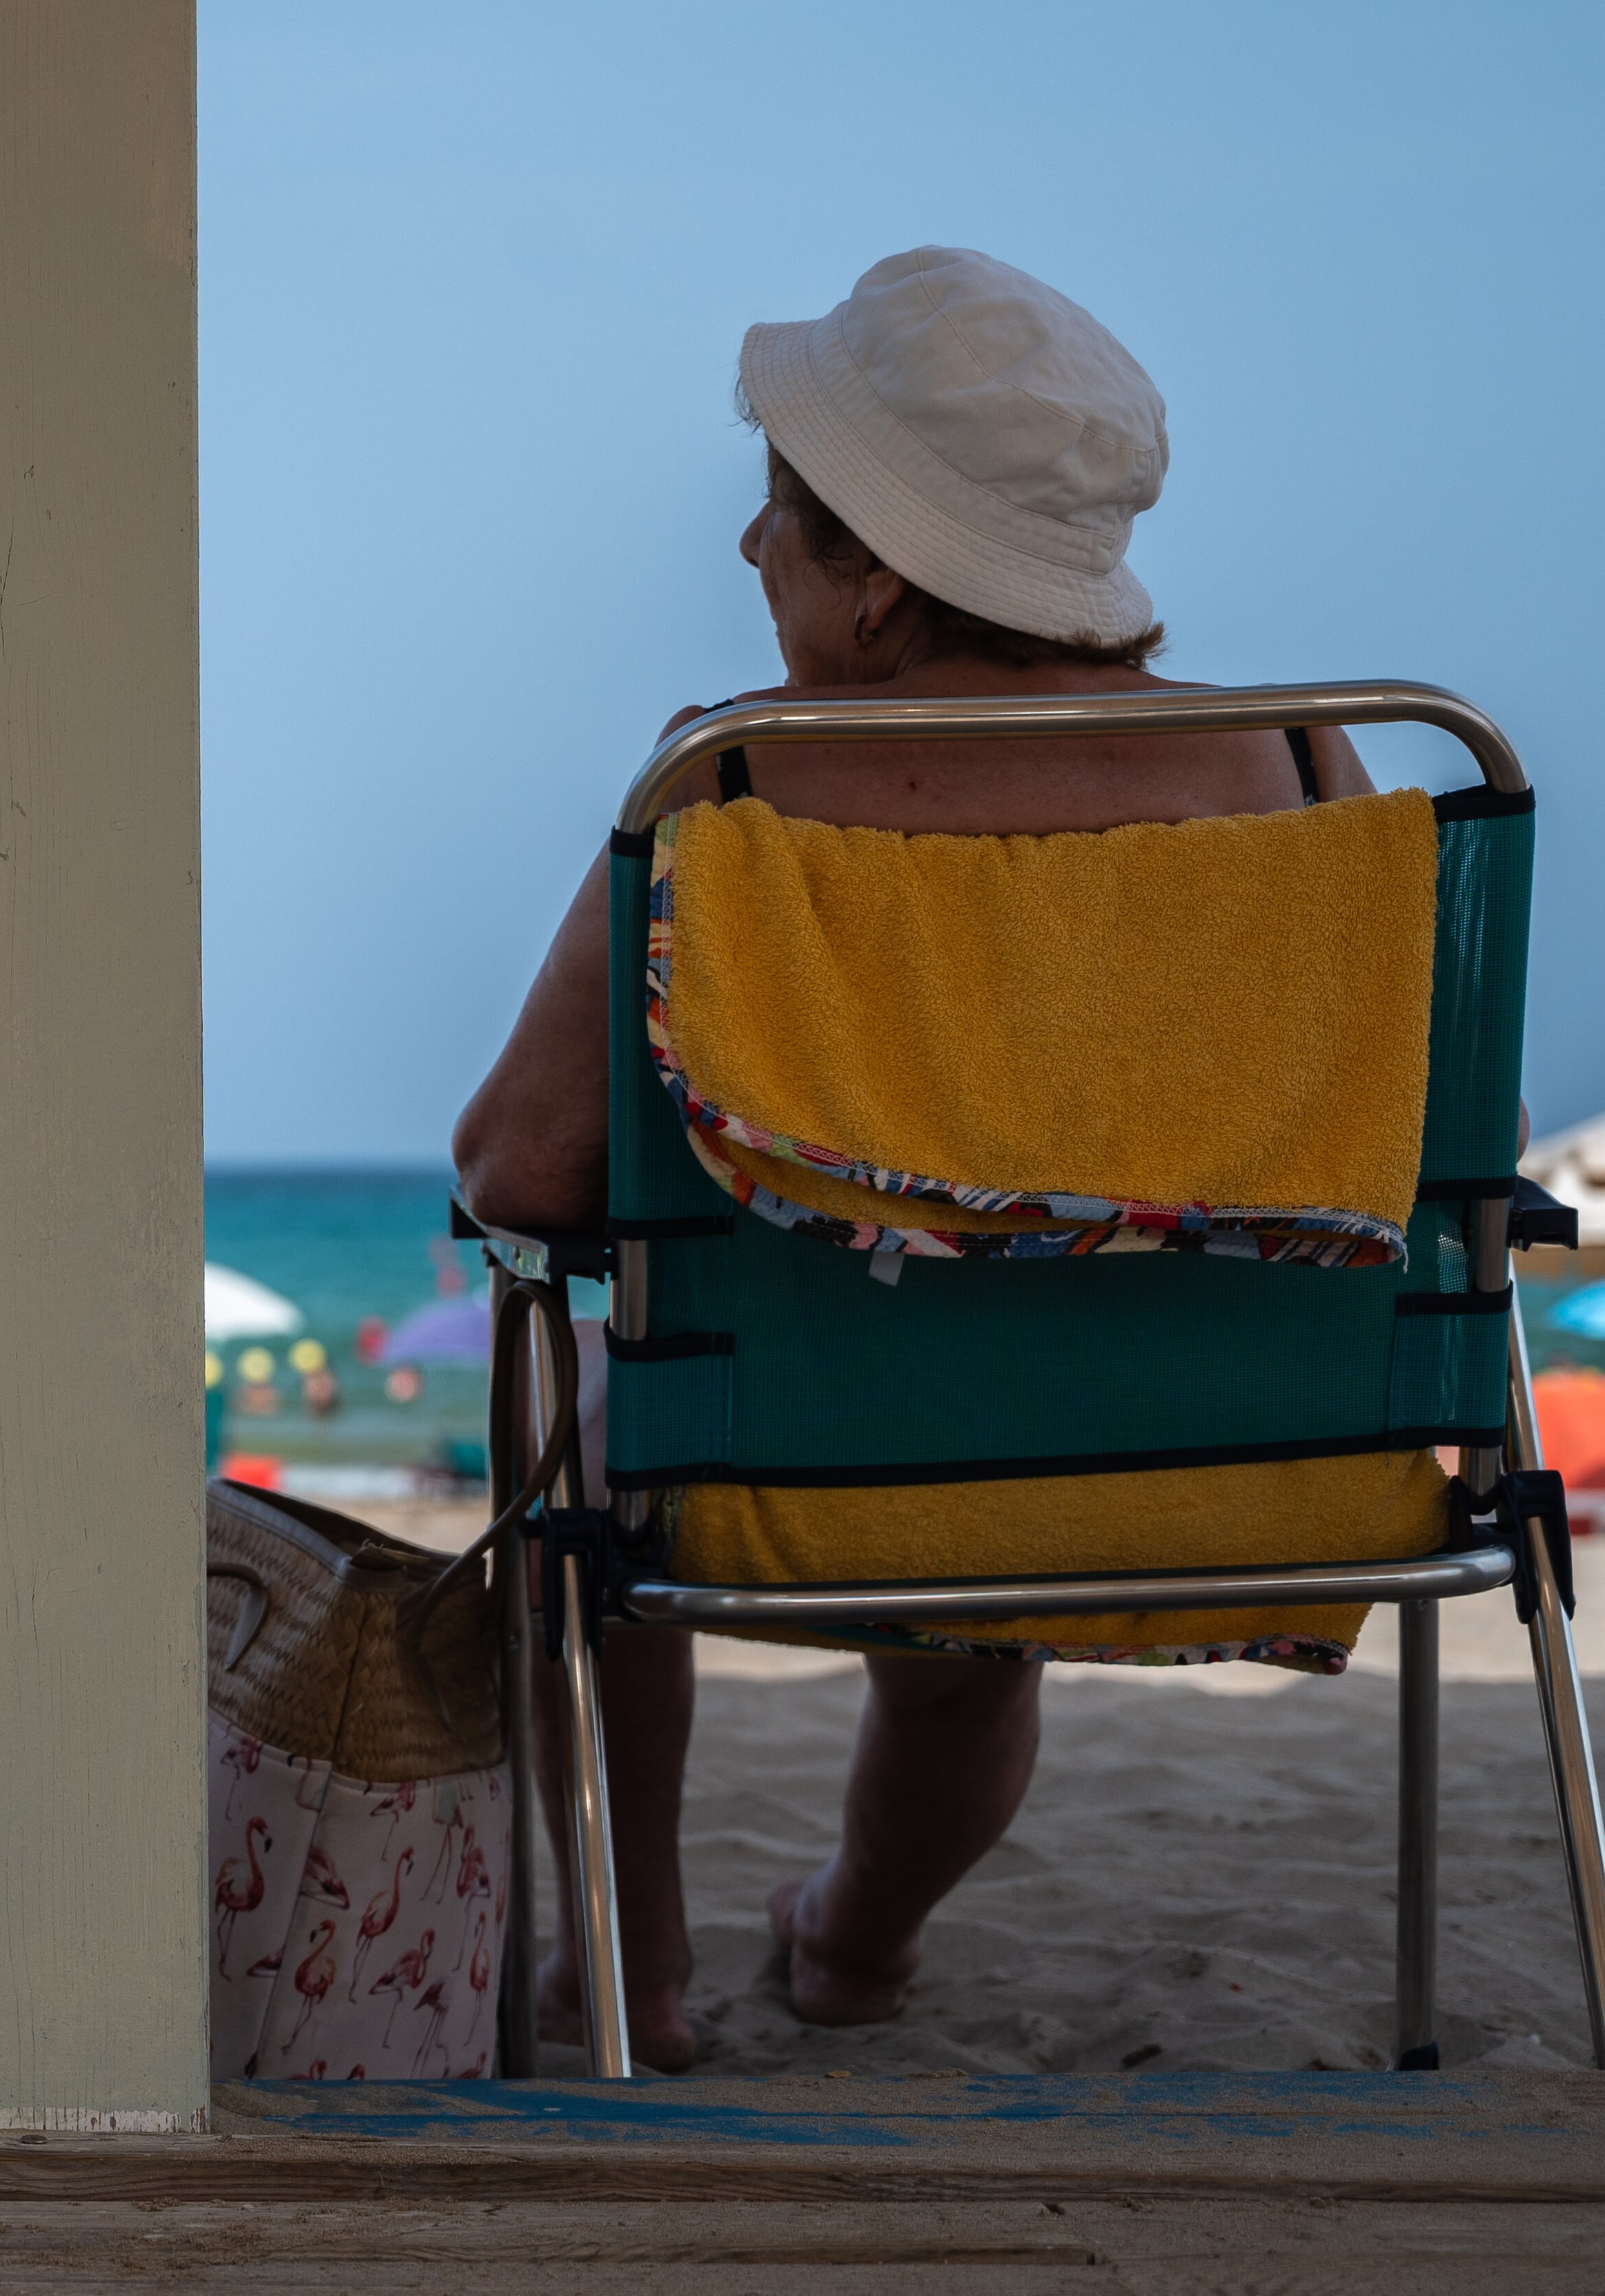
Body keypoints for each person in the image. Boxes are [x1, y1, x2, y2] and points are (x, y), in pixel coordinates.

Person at [451, 248, 1368, 2069]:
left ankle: (628, 1961)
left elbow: (518, 1170)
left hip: (809, 1460)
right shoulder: (1302, 762)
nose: (745, 552)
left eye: (775, 518)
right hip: (1220, 1470)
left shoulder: (734, 791)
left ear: (874, 584)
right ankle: (857, 1939)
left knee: (550, 1358)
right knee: (983, 1451)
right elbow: (1425, 1152)